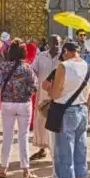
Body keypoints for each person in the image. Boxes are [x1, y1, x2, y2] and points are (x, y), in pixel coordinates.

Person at [49, 41, 90, 178]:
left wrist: (51, 91)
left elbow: (55, 94)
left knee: (64, 152)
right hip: (82, 109)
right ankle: (81, 177)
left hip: (66, 111)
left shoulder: (63, 66)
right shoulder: (89, 68)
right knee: (80, 150)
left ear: (66, 52)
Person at [0, 38, 38, 178]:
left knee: (7, 136)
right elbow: (34, 87)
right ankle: (26, 170)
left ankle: (3, 168)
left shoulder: (4, 67)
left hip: (7, 103)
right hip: (24, 104)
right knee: (23, 137)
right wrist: (25, 95)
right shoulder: (27, 68)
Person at [30, 35, 61, 170]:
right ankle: (43, 148)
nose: (56, 46)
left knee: (57, 123)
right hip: (43, 95)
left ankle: (56, 152)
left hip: (59, 96)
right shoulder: (41, 56)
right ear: (48, 43)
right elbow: (33, 71)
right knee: (41, 121)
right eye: (54, 43)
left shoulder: (63, 57)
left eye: (58, 43)